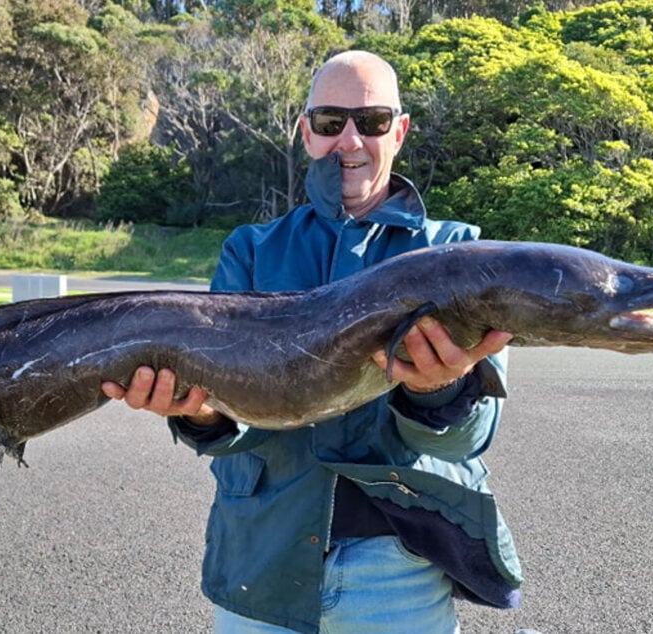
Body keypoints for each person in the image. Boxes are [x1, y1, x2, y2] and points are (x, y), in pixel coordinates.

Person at [102, 50, 532, 634]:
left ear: (399, 131)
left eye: (372, 122)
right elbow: (233, 432)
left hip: (399, 571)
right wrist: (201, 415)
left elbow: (468, 441)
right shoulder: (250, 251)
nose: (350, 140)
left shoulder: (457, 254)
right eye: (331, 122)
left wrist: (440, 392)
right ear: (307, 134)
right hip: (261, 563)